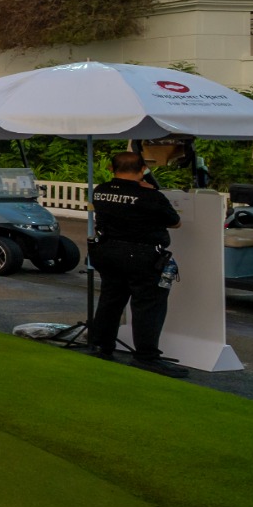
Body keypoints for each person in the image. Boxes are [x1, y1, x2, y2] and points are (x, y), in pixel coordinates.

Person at [87, 150, 186, 376]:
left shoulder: (100, 190)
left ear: (111, 169)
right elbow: (175, 222)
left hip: (108, 251)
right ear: (143, 169)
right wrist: (151, 188)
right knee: (148, 305)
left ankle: (102, 346)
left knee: (111, 299)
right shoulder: (150, 196)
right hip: (143, 254)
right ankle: (146, 356)